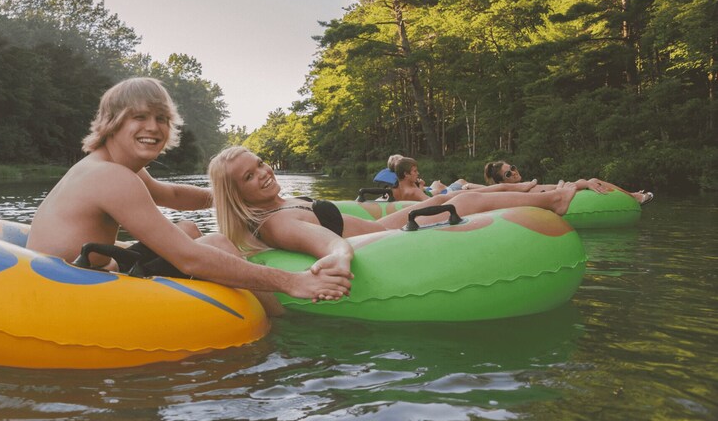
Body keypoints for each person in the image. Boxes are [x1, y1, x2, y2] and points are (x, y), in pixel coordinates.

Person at [26, 78, 351, 313]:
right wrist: (292, 282)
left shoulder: (113, 166)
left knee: (188, 228)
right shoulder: (110, 177)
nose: (153, 127)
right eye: (139, 117)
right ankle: (280, 332)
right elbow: (189, 258)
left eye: (161, 118)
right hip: (64, 289)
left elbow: (173, 194)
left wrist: (232, 195)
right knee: (216, 243)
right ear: (113, 123)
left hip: (87, 267)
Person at [207, 146, 580, 278]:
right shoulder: (278, 222)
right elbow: (326, 243)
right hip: (382, 239)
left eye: (260, 164)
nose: (263, 173)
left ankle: (534, 190)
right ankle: (552, 200)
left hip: (377, 225)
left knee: (456, 195)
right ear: (236, 192)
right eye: (249, 176)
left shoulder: (278, 203)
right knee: (461, 201)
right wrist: (339, 256)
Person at [483, 160, 654, 205]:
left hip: (564, 190)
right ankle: (634, 197)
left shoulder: (524, 185)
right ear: (501, 181)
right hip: (563, 195)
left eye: (512, 168)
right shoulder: (515, 192)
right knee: (593, 181)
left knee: (591, 181)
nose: (514, 172)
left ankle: (632, 196)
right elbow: (552, 195)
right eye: (508, 173)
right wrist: (581, 184)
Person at [390, 155, 526, 201]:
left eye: (513, 168)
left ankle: (469, 187)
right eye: (414, 171)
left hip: (446, 194)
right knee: (467, 187)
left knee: (464, 185)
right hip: (449, 197)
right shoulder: (412, 190)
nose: (418, 173)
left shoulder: (402, 187)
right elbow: (432, 202)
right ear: (406, 174)